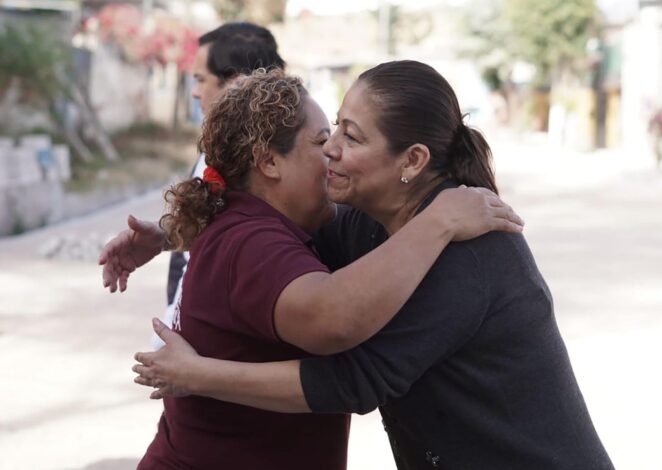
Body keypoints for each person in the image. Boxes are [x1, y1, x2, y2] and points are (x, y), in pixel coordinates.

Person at [134, 61, 615, 470]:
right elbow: (254, 245)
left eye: (350, 136)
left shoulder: (469, 247)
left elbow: (355, 379)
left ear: (412, 160)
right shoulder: (367, 224)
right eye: (331, 130)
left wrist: (199, 375)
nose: (332, 149)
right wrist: (169, 234)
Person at [102, 22, 286, 348]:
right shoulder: (218, 151)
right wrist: (164, 238)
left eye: (201, 80)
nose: (195, 92)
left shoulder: (271, 170)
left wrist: (199, 370)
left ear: (237, 84)